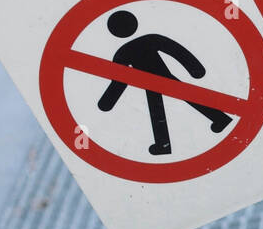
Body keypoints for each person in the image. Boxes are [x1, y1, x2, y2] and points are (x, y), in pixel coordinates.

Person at [96, 9, 232, 155]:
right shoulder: (149, 39)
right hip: (162, 79)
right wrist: (195, 69)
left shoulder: (122, 52)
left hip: (153, 82)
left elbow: (120, 81)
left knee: (157, 110)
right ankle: (220, 119)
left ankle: (164, 145)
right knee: (181, 100)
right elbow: (177, 51)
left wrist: (107, 102)